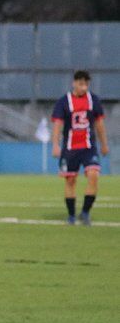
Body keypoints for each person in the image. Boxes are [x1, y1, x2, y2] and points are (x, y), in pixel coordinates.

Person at [51, 70, 109, 225]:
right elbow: (57, 124)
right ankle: (71, 215)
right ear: (74, 83)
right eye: (81, 84)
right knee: (70, 180)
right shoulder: (64, 101)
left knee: (93, 175)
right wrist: (55, 145)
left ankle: (85, 212)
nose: (84, 87)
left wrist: (104, 144)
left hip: (88, 147)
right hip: (70, 148)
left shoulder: (93, 100)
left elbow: (99, 124)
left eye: (86, 84)